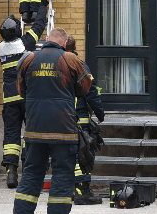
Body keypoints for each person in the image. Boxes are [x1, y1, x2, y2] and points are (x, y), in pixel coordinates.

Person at [14, 28, 92, 214]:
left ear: (46, 39)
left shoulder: (28, 59)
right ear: (64, 43)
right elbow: (84, 87)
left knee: (31, 175)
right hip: (63, 131)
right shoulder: (70, 59)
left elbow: (21, 91)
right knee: (63, 176)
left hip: (35, 129)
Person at [0, 0, 51, 188]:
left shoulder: (0, 49)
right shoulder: (25, 44)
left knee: (11, 135)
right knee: (31, 132)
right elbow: (39, 25)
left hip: (9, 100)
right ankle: (30, 169)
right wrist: (44, 2)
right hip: (27, 96)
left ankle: (11, 172)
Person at [65, 36, 105, 206]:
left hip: (61, 119)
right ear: (75, 49)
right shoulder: (79, 65)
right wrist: (100, 113)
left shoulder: (57, 66)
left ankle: (71, 189)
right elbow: (91, 92)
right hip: (79, 120)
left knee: (68, 156)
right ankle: (83, 192)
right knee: (83, 155)